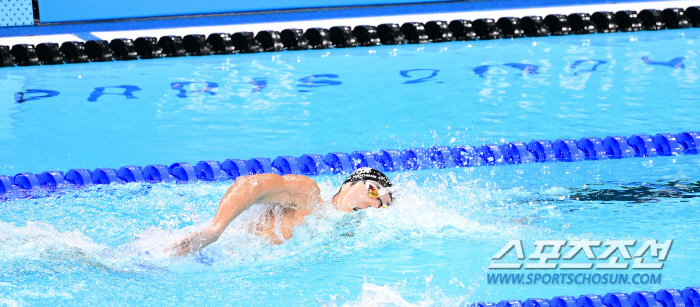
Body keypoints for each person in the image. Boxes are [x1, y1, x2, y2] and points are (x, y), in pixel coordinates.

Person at [167, 167, 394, 256]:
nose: (374, 205)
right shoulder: (308, 196)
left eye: (382, 206)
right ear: (347, 185)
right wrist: (215, 229)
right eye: (373, 192)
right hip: (197, 249)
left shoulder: (347, 243)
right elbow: (250, 185)